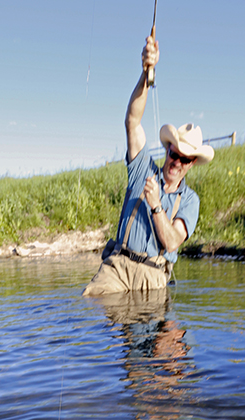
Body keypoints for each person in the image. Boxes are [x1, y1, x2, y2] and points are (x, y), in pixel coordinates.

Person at [83, 35, 214, 296]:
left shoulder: (190, 201)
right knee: (90, 315)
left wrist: (156, 205)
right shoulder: (143, 167)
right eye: (174, 154)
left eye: (185, 159)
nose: (177, 162)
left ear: (192, 164)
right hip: (117, 269)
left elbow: (173, 241)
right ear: (168, 150)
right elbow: (132, 121)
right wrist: (146, 74)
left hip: (153, 278)